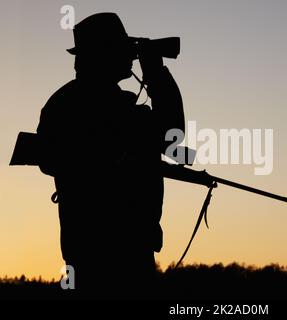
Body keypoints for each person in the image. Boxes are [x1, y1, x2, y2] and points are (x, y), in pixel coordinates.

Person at [36, 12, 184, 298]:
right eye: (121, 49)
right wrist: (156, 74)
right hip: (121, 250)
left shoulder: (63, 102)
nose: (129, 57)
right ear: (103, 55)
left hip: (88, 247)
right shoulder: (113, 108)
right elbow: (171, 136)